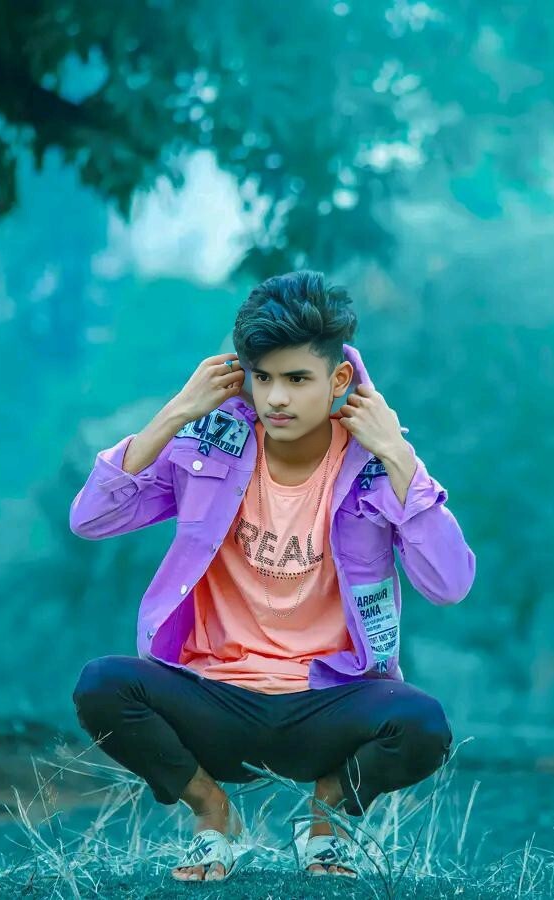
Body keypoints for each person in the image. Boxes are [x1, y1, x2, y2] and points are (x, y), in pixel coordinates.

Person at [70, 270, 476, 882]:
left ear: (338, 381)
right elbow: (90, 518)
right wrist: (176, 413)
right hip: (214, 698)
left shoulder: (376, 470)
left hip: (327, 704)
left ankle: (324, 822)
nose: (277, 398)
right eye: (263, 378)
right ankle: (213, 816)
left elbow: (450, 584)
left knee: (422, 725)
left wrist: (398, 454)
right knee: (102, 685)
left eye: (297, 379)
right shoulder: (208, 450)